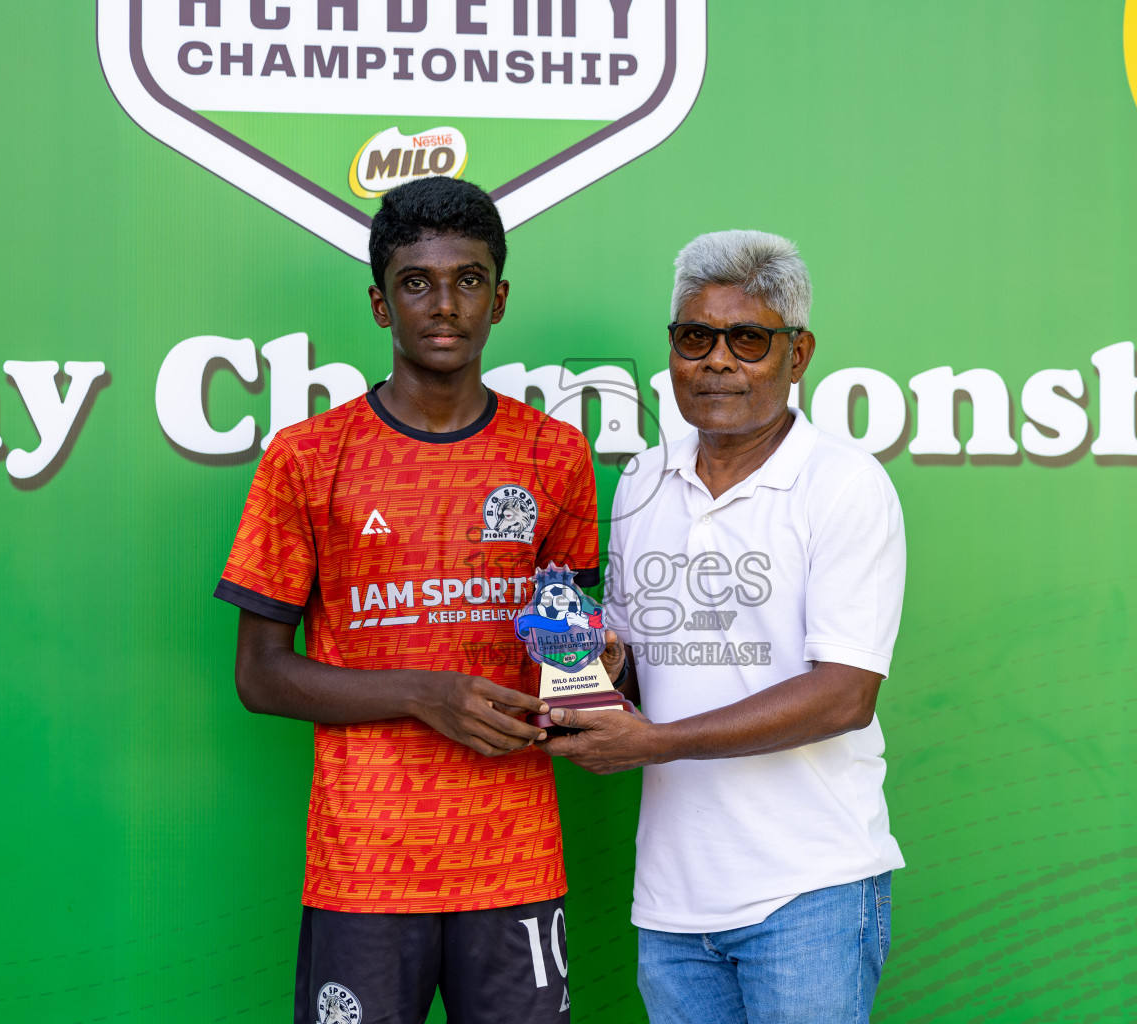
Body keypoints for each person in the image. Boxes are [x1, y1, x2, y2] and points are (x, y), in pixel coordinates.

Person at [215, 176, 605, 1024]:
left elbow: (568, 656)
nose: (445, 305)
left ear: (499, 300)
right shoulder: (308, 457)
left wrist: (592, 669)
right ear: (380, 303)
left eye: (468, 280)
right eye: (417, 282)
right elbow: (260, 675)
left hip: (515, 860)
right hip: (365, 863)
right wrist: (425, 693)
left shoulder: (555, 454)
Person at [541, 230, 908, 1024]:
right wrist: (599, 670)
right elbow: (641, 668)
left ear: (797, 354)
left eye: (748, 339)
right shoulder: (645, 477)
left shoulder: (844, 485)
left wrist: (656, 743)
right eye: (694, 337)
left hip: (809, 890)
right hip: (673, 900)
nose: (717, 361)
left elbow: (844, 696)